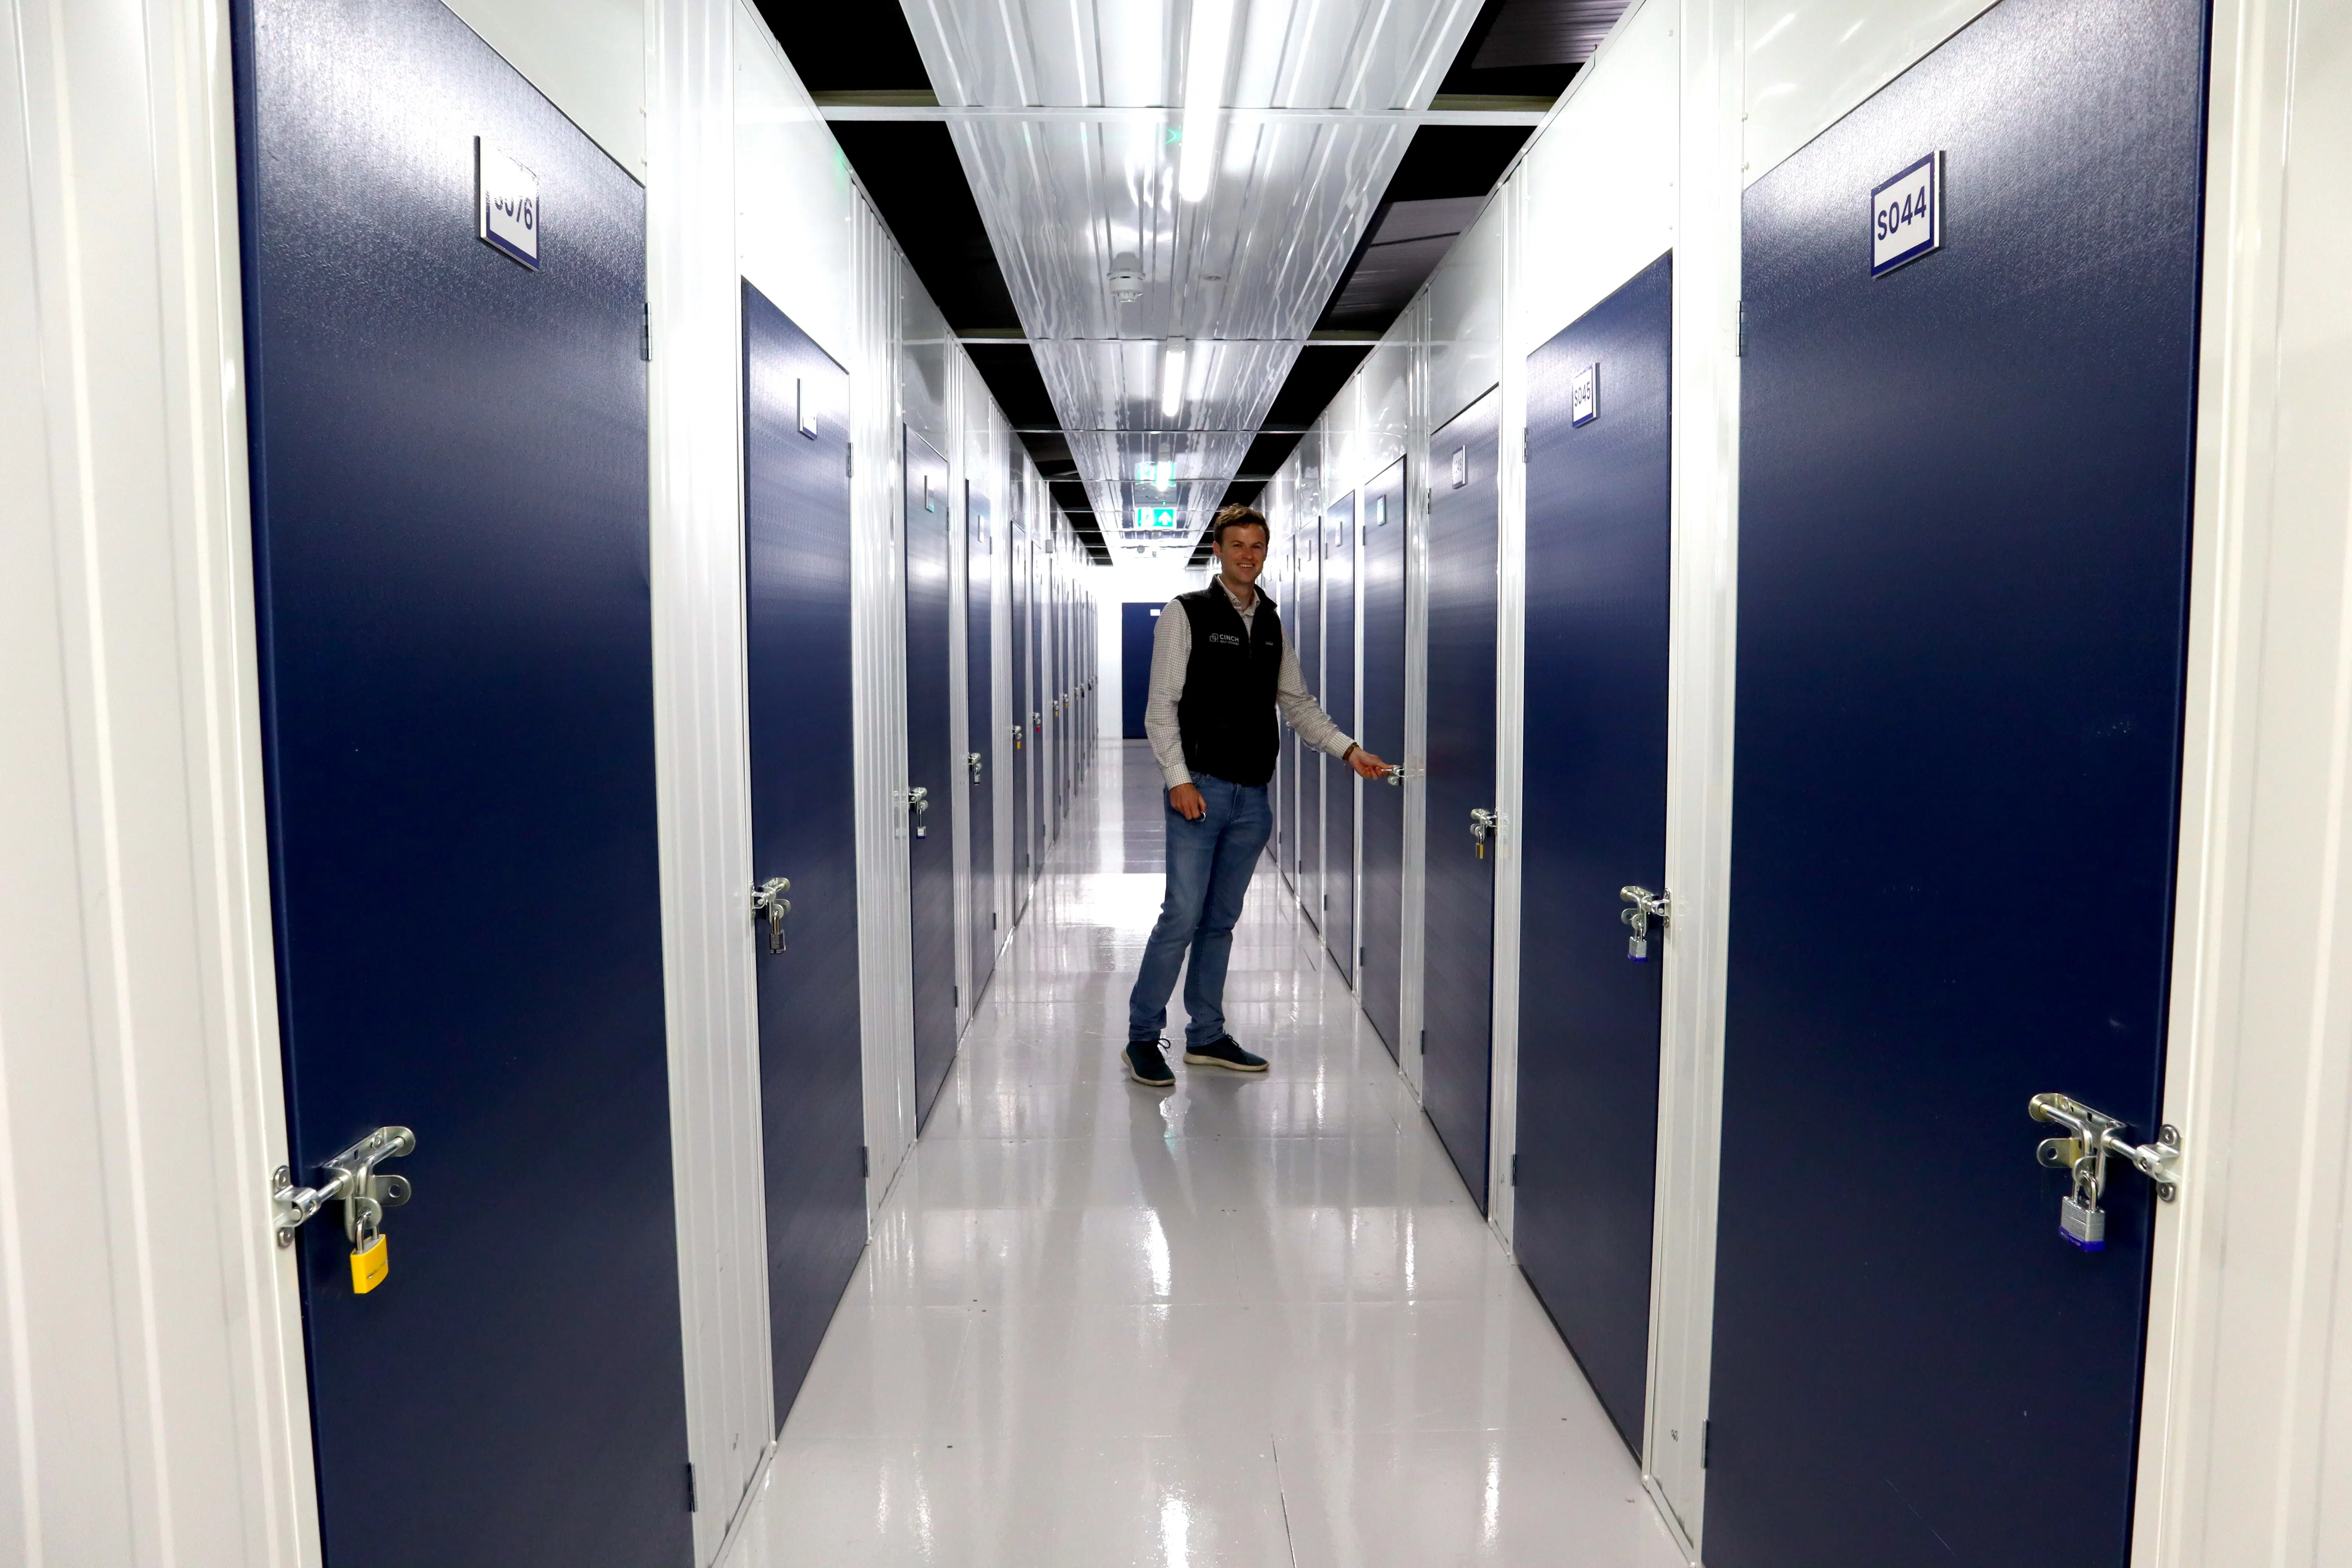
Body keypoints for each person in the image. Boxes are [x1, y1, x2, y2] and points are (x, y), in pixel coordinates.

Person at [1124, 504, 1390, 1087]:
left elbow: (1296, 703)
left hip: (1253, 798)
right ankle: (1143, 1035)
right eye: (1238, 545)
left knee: (1220, 920)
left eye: (1258, 546)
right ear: (1216, 550)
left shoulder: (1270, 621)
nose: (1248, 555)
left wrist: (1349, 750)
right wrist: (1179, 779)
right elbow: (1160, 707)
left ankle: (1206, 1035)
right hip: (1202, 791)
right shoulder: (1186, 613)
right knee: (1182, 915)